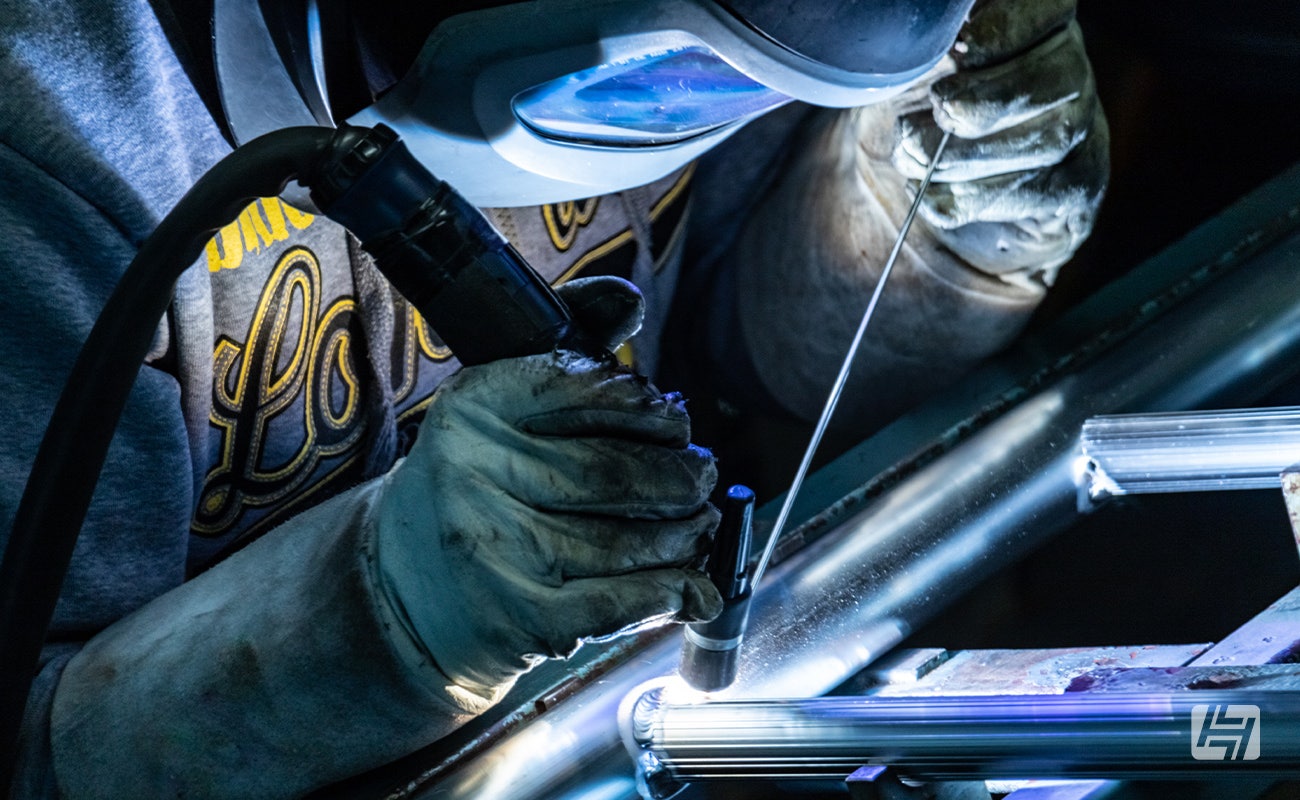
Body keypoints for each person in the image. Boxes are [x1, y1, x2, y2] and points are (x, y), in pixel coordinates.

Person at [0, 0, 1107, 795]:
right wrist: (385, 612)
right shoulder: (52, 143)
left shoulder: (712, 25)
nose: (691, 113)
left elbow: (752, 338)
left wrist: (940, 231)